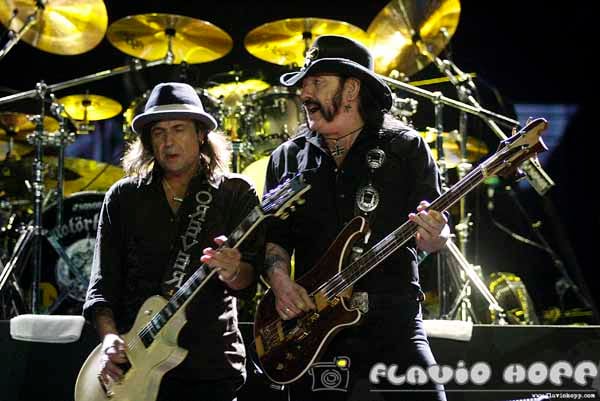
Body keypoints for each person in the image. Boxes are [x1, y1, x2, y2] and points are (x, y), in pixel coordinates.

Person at [262, 35, 450, 400]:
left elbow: (435, 233)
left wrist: (435, 236)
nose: (304, 94)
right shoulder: (287, 158)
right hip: (314, 326)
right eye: (304, 84)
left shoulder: (405, 147)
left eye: (317, 83)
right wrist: (280, 282)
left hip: (393, 320)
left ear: (351, 89)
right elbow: (275, 238)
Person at [83, 82, 264, 401]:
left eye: (179, 129)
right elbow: (102, 285)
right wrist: (109, 339)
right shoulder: (124, 197)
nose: (168, 142)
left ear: (201, 134)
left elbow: (249, 282)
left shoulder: (234, 193)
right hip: (134, 368)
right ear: (148, 141)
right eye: (159, 132)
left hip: (209, 366)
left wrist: (234, 270)